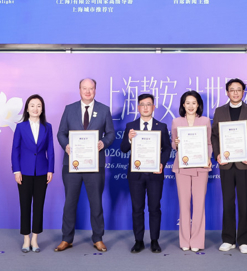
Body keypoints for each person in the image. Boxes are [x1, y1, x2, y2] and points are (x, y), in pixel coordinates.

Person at [55, 78, 116, 252]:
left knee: (96, 203)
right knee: (70, 203)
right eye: (84, 88)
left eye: (91, 88)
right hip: (72, 164)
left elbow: (111, 133)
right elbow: (61, 133)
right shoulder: (69, 109)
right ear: (79, 89)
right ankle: (67, 239)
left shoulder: (104, 110)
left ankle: (98, 238)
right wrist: (66, 145)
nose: (88, 91)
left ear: (95, 90)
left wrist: (103, 143)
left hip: (94, 165)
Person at [211, 78, 247, 254]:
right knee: (227, 202)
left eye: (238, 90)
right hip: (226, 164)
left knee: (244, 202)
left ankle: (244, 240)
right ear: (227, 92)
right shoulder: (219, 111)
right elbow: (215, 136)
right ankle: (228, 239)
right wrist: (217, 154)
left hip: (244, 163)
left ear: (243, 92)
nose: (235, 93)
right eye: (232, 90)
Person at [119, 93, 171, 253]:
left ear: (153, 107)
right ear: (138, 107)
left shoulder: (161, 126)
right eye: (142, 104)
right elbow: (123, 148)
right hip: (136, 175)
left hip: (155, 173)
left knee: (154, 208)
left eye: (149, 104)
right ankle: (139, 241)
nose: (146, 107)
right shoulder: (131, 126)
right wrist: (129, 139)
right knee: (137, 208)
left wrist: (161, 163)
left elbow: (167, 148)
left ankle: (154, 240)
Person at [11, 94, 55, 252]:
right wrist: (16, 170)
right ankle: (26, 238)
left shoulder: (48, 127)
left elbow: (50, 149)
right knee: (24, 205)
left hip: (42, 172)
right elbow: (15, 150)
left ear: (42, 109)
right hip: (24, 172)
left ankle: (35, 239)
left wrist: (50, 169)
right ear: (27, 109)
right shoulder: (20, 127)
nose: (35, 108)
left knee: (39, 205)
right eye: (32, 105)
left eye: (39, 106)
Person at [171, 90, 212, 252]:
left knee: (199, 205)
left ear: (198, 105)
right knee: (184, 204)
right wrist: (176, 143)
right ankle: (184, 240)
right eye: (187, 103)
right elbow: (173, 144)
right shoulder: (176, 122)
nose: (190, 106)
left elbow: (209, 143)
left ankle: (196, 240)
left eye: (194, 103)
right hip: (182, 167)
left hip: (201, 167)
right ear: (183, 105)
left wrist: (208, 157)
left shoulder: (205, 121)